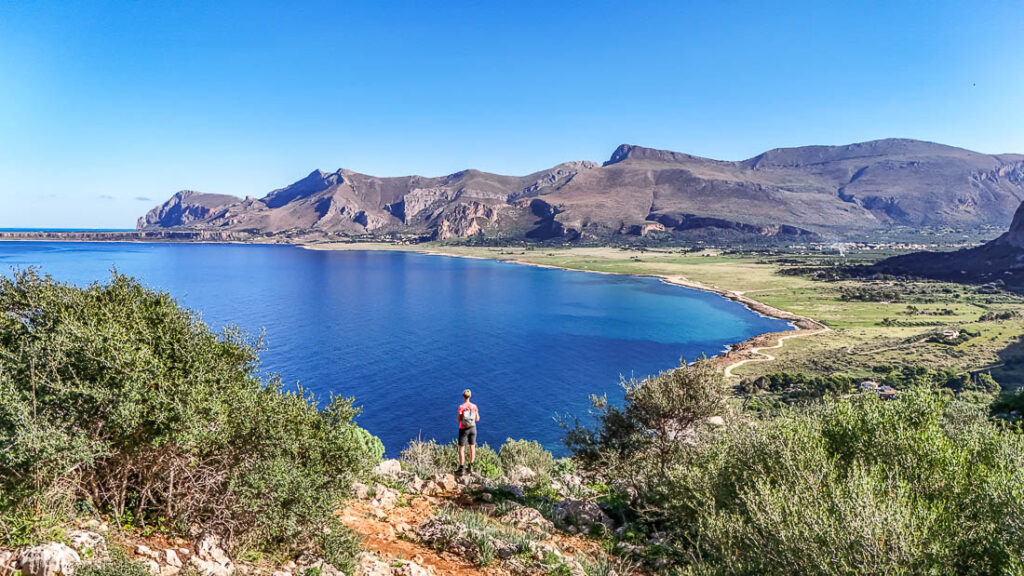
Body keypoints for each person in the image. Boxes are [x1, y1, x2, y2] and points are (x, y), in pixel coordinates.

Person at [456, 389, 480, 475]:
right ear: (470, 396)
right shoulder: (474, 406)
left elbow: (458, 420)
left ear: (463, 397)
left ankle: (461, 468)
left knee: (462, 449)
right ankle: (470, 467)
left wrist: (460, 415)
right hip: (473, 428)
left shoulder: (461, 407)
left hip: (463, 429)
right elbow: (477, 419)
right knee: (472, 448)